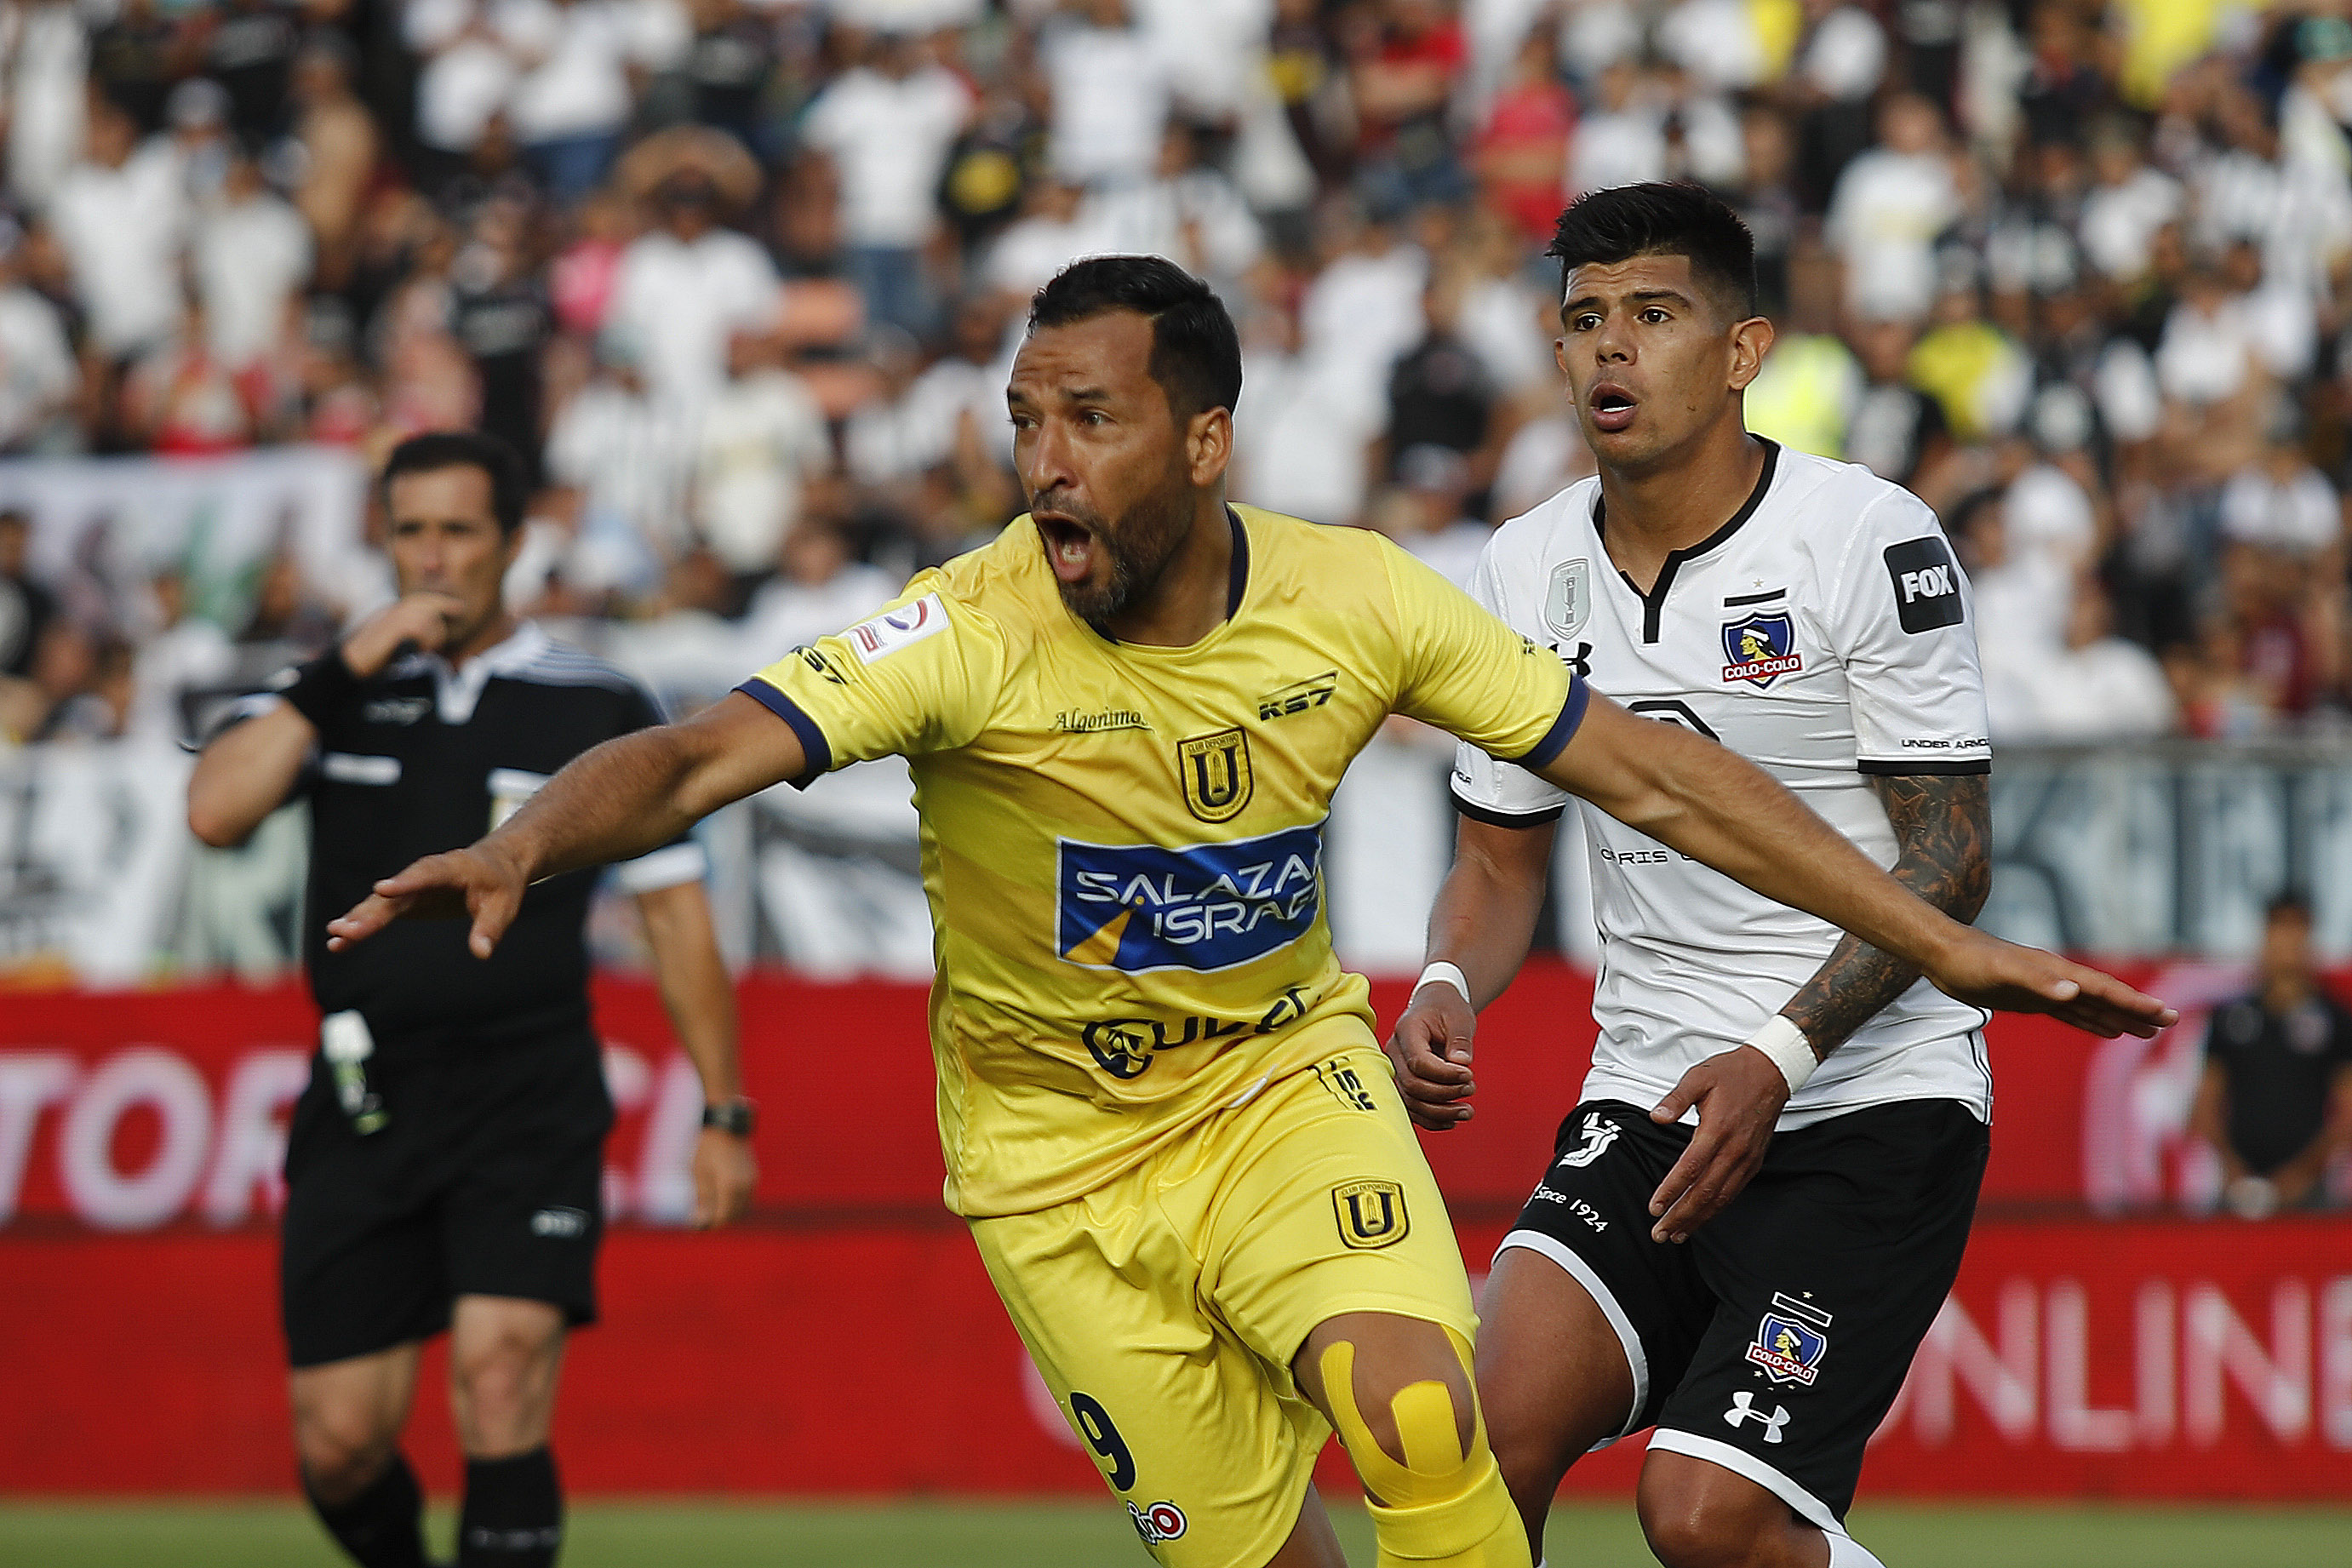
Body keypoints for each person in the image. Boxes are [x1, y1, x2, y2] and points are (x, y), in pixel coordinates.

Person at [324, 259, 2168, 1568]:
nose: (1045, 458)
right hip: (1053, 1166)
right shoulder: (957, 632)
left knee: (1432, 1423)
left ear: (1202, 440)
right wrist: (523, 847)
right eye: (1025, 419)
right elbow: (698, 754)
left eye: (1093, 420)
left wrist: (1940, 944)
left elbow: (1660, 778)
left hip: (1284, 1093)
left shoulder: (1362, 599)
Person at [1385, 183, 2018, 1568]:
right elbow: (1496, 865)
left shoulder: (1864, 536)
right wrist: (1444, 977)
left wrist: (1779, 1055)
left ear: (1740, 352)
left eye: (1652, 315)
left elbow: (1950, 862)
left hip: (1866, 1101)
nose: (1608, 349)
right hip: (1646, 1096)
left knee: (1702, 1519)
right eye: (1582, 321)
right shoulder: (1521, 564)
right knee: (1462, 1457)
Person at [185, 431, 758, 1568]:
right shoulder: (326, 688)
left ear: (513, 541)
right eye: (410, 532)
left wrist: (722, 1109)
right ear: (382, 541)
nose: (433, 557)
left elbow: (673, 911)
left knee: (501, 1375)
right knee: (342, 1443)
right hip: (363, 1096)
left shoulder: (594, 701)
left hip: (528, 1089)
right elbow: (215, 809)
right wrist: (343, 669)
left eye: (458, 531)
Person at [2191, 894, 2352, 1218]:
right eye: (2278, 928)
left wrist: (2302, 1175)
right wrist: (2232, 1169)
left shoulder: (2335, 1021)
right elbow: (2204, 1107)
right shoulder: (2231, 1018)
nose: (2285, 942)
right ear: (2264, 936)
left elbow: (2348, 1113)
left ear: (2309, 939)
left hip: (2309, 1191)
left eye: (2295, 930)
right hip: (2237, 1188)